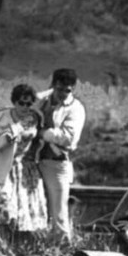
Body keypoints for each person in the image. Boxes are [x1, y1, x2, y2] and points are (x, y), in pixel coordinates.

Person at [0, 83, 46, 238]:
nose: (25, 107)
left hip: (24, 170)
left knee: (22, 216)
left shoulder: (33, 118)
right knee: (2, 210)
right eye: (21, 103)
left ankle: (14, 246)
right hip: (1, 169)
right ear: (14, 101)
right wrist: (6, 138)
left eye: (28, 104)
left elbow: (38, 139)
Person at [36, 68, 86, 242]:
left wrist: (41, 133)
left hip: (56, 163)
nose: (63, 94)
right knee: (34, 208)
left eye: (67, 90)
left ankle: (63, 248)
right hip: (33, 161)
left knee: (59, 213)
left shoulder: (75, 108)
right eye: (59, 89)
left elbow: (69, 138)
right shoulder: (40, 100)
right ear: (53, 85)